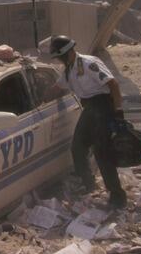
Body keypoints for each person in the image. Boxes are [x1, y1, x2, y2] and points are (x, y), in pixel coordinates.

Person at [50, 35, 127, 209]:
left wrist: (118, 112)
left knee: (102, 152)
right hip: (89, 109)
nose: (61, 61)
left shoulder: (89, 63)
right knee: (77, 147)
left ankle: (117, 197)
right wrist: (41, 98)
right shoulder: (68, 71)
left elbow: (113, 85)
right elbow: (57, 88)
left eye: (62, 57)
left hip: (103, 106)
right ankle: (88, 184)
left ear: (70, 52)